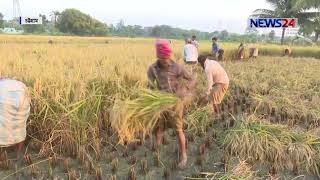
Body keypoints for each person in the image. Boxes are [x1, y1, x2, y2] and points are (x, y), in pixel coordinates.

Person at [147, 39, 196, 169]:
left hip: (175, 105)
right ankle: (157, 152)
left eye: (167, 56)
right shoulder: (152, 69)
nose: (166, 60)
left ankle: (184, 156)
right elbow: (150, 87)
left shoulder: (177, 67)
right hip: (159, 104)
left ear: (170, 54)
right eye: (163, 57)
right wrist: (151, 98)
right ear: (158, 55)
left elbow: (192, 79)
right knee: (157, 129)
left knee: (178, 129)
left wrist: (186, 89)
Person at [0, 78, 30, 160]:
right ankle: (19, 154)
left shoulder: (5, 85)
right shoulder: (18, 85)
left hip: (10, 99)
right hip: (21, 100)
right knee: (20, 126)